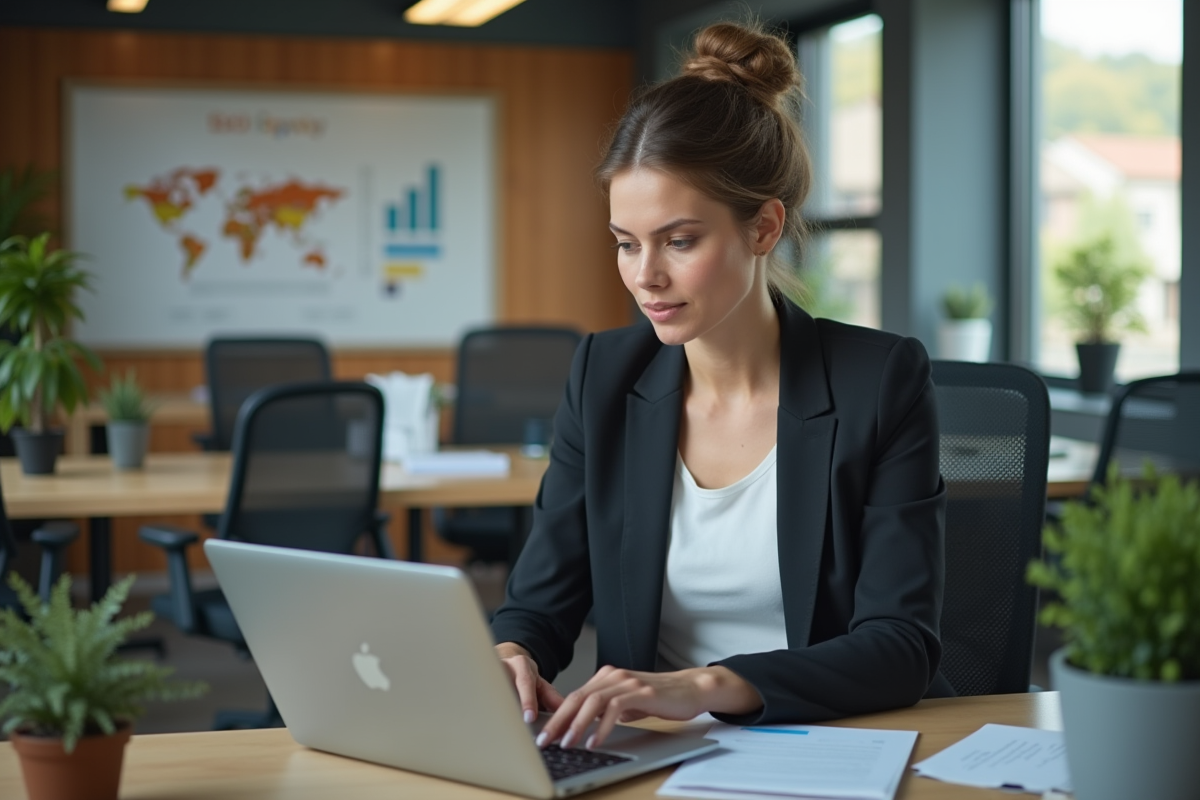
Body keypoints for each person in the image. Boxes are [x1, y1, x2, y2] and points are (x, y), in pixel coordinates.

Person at [490, 19, 949, 752]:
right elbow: (538, 606)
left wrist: (702, 684)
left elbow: (901, 645)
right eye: (625, 244)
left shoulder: (880, 381)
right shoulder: (604, 377)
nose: (646, 276)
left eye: (679, 240)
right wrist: (510, 654)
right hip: (650, 755)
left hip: (825, 744)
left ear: (763, 229)